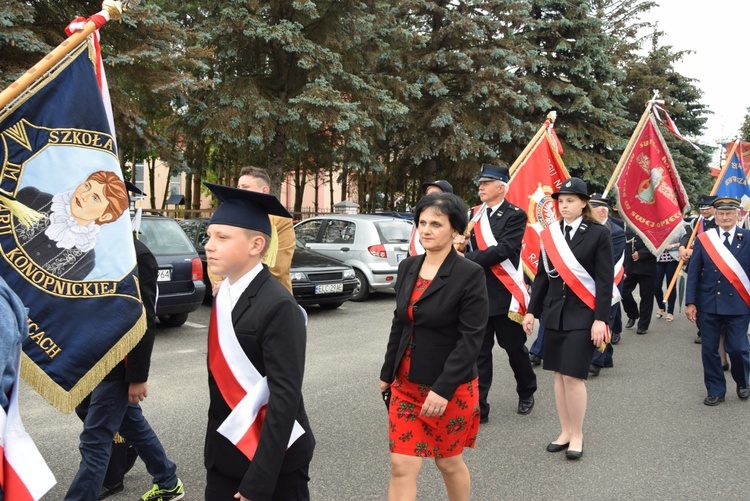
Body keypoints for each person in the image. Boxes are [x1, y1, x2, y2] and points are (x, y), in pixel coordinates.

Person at [203, 182, 315, 500]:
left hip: (272, 466)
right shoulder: (224, 293)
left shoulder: (279, 306)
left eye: (222, 238)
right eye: (210, 236)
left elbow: (284, 398)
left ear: (256, 245)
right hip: (226, 454)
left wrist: (259, 482)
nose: (209, 245)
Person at [379, 192, 488, 501]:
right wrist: (387, 372)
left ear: (456, 232)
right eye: (422, 223)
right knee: (401, 464)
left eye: (436, 224)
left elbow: (471, 337)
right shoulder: (408, 267)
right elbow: (400, 322)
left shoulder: (470, 274)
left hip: (449, 388)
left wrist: (443, 388)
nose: (426, 230)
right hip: (406, 385)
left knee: (448, 462)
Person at [66, 235, 184, 500]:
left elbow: (144, 320)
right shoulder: (96, 245)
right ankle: (167, 481)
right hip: (95, 360)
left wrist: (137, 376)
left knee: (95, 440)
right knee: (132, 425)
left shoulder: (138, 256)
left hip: (119, 365)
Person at [522, 177, 613, 460]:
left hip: (584, 315)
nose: (564, 205)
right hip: (554, 314)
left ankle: (578, 434)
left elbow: (604, 280)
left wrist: (601, 319)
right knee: (559, 376)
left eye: (570, 200)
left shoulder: (599, 233)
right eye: (561, 201)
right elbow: (541, 278)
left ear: (583, 203)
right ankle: (564, 430)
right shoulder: (550, 234)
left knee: (573, 376)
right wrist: (531, 311)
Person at [463, 163, 536, 421]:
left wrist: (467, 257)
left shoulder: (515, 215)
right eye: (480, 183)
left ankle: (527, 390)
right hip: (478, 296)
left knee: (514, 349)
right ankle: (480, 407)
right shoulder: (474, 214)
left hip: (505, 295)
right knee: (480, 354)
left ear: (501, 187)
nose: (480, 187)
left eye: (486, 182)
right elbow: (463, 242)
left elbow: (504, 250)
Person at [685, 197, 750, 406]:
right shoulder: (705, 239)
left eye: (729, 213)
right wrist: (690, 302)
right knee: (709, 350)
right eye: (721, 213)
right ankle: (715, 390)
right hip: (709, 303)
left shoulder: (748, 238)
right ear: (716, 215)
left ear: (737, 215)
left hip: (739, 303)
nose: (725, 217)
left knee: (739, 348)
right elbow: (693, 273)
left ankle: (743, 382)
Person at [207, 166, 295, 295]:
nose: (240, 190)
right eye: (239, 186)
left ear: (264, 190)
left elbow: (279, 267)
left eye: (245, 187)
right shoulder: (230, 216)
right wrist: (219, 283)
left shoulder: (280, 220)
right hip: (227, 294)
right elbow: (215, 256)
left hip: (268, 295)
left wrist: (235, 285)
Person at [587, 194, 625, 377]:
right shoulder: (588, 229)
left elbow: (611, 260)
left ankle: (596, 361)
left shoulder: (616, 232)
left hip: (611, 283)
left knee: (605, 318)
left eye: (591, 209)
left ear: (602, 212)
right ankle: (607, 356)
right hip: (589, 282)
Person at [680, 195, 718, 344]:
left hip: (712, 268)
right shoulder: (697, 221)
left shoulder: (718, 223)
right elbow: (687, 235)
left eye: (707, 208)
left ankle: (713, 329)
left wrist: (694, 251)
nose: (704, 211)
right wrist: (683, 247)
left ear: (713, 208)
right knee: (697, 299)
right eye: (702, 208)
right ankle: (701, 330)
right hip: (696, 267)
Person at [621, 225, 656, 334]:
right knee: (623, 291)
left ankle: (643, 325)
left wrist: (642, 254)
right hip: (630, 266)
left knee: (646, 297)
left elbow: (658, 245)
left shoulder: (652, 226)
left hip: (647, 267)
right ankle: (633, 314)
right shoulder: (628, 226)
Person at [409, 180, 453, 256]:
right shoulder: (420, 216)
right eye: (427, 195)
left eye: (436, 224)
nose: (426, 230)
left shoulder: (452, 222)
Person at [653, 230, 684, 323]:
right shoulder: (657, 226)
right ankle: (661, 306)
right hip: (659, 260)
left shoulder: (679, 227)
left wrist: (672, 246)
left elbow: (685, 241)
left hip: (672, 260)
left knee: (671, 286)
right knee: (656, 286)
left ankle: (670, 312)